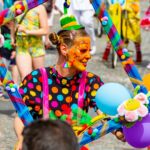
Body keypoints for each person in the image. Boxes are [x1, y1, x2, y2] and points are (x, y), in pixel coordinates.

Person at [14, 13, 125, 150]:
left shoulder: (91, 81)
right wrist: (21, 138)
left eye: (89, 51)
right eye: (83, 50)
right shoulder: (36, 78)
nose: (89, 56)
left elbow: (104, 113)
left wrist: (117, 130)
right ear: (64, 49)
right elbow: (21, 116)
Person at [12, 0, 49, 80]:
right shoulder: (17, 5)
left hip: (36, 47)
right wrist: (12, 38)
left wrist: (27, 31)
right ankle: (26, 92)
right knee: (26, 79)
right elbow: (13, 23)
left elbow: (45, 30)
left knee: (39, 78)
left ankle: (39, 92)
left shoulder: (40, 8)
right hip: (21, 47)